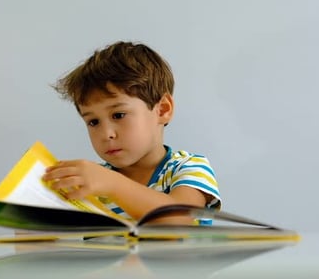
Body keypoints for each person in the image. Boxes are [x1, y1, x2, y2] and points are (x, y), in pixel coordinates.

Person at [42, 41, 221, 222]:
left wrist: (111, 183)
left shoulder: (189, 167)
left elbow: (177, 220)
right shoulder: (89, 184)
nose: (106, 134)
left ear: (163, 110)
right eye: (93, 122)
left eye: (118, 115)